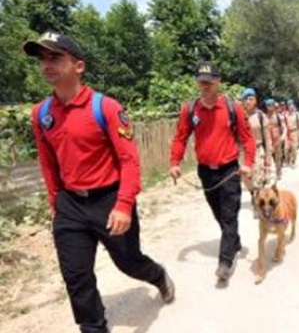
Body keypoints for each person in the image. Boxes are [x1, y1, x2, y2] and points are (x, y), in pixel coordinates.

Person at [25, 31, 174, 333]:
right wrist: (56, 203)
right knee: (76, 276)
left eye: (55, 57)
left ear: (78, 66)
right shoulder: (40, 114)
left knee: (128, 262)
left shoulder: (105, 107)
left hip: (109, 200)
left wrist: (123, 204)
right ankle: (93, 327)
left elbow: (129, 160)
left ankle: (157, 276)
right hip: (70, 205)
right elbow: (48, 163)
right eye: (42, 59)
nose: (46, 65)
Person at [169, 61, 255, 281]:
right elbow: (180, 138)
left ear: (218, 82)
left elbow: (247, 139)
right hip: (205, 172)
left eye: (209, 81)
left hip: (229, 170)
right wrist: (175, 162)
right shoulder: (190, 109)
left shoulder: (232, 107)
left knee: (229, 214)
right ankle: (234, 241)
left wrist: (248, 164)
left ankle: (225, 261)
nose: (205, 85)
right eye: (201, 81)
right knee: (218, 213)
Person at [240, 88, 274, 218]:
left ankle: (257, 205)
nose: (248, 102)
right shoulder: (239, 116)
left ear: (255, 101)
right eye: (245, 99)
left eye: (250, 99)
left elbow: (267, 139)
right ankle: (254, 195)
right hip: (243, 152)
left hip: (258, 151)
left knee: (258, 179)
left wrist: (268, 158)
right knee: (246, 179)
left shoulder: (261, 117)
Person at [264, 99, 286, 180]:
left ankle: (278, 172)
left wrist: (283, 135)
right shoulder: (264, 117)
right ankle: (267, 174)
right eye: (268, 105)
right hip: (268, 141)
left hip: (277, 140)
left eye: (271, 105)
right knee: (267, 158)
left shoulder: (278, 117)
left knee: (278, 158)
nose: (270, 107)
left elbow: (284, 127)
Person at [283, 99, 299, 167]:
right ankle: (288, 160)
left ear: (294, 105)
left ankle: (293, 162)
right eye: (289, 105)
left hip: (295, 132)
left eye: (291, 104)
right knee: (286, 148)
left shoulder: (297, 114)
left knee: (294, 148)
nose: (290, 106)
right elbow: (283, 123)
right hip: (287, 133)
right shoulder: (285, 114)